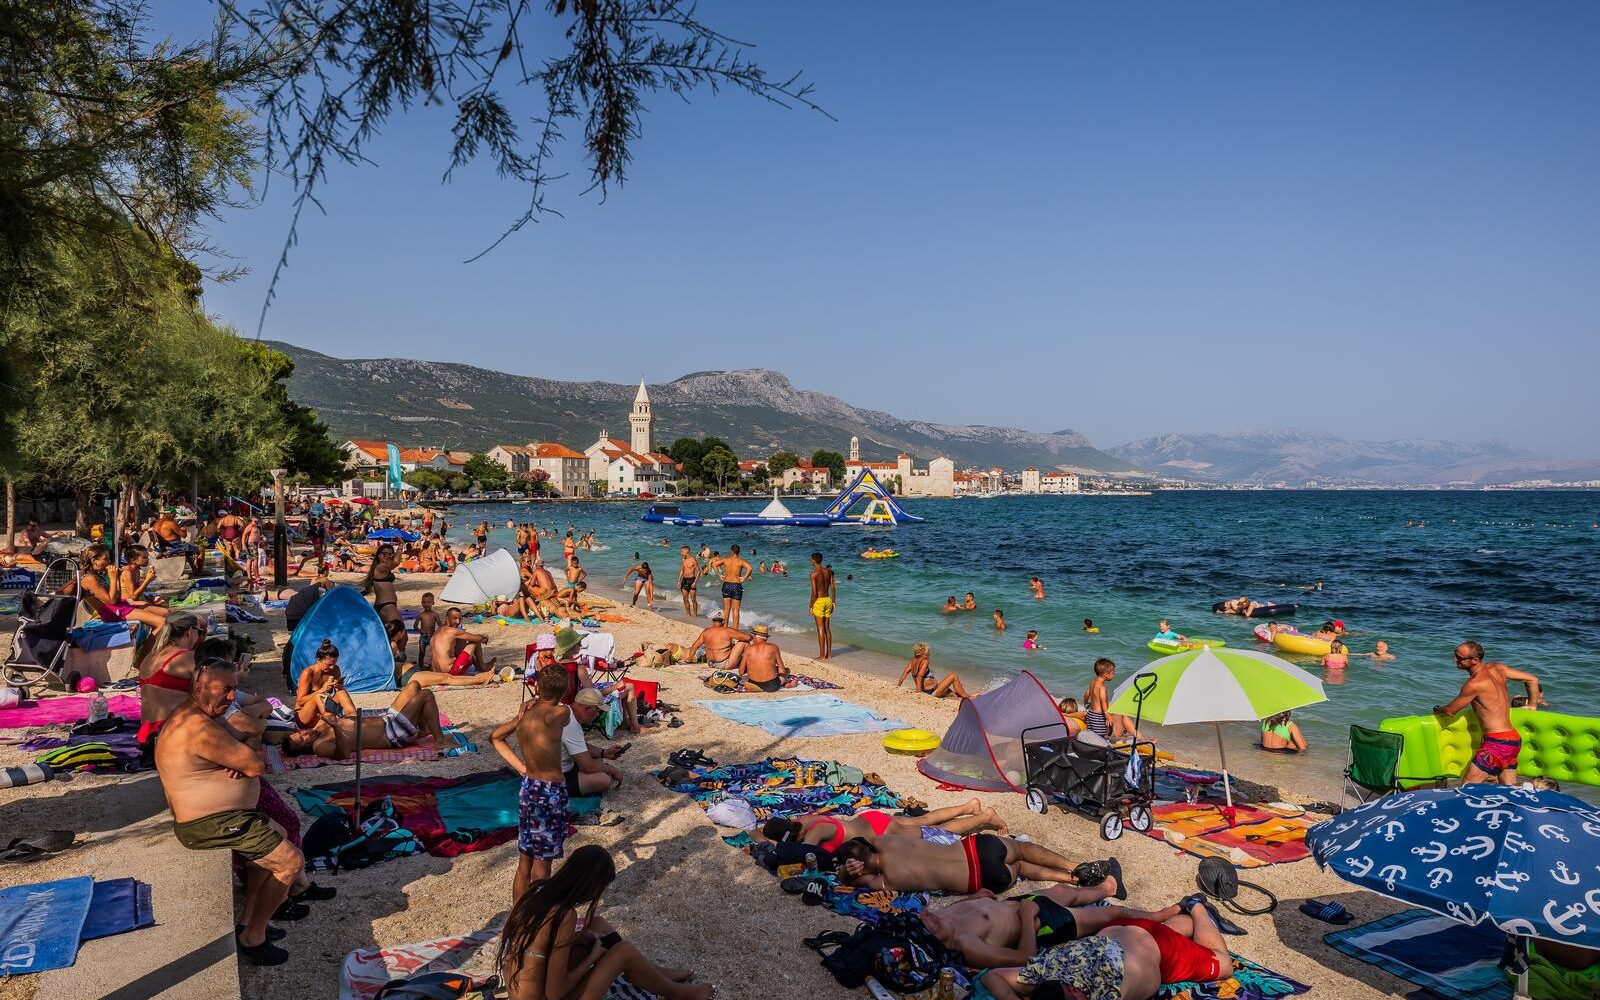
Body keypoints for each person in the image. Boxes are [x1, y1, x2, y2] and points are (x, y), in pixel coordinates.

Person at [155, 659, 303, 965]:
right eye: (225, 689)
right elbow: (256, 765)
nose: (232, 696)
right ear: (199, 687)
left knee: (278, 832)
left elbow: (250, 746)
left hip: (227, 817)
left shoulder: (197, 715)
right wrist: (247, 751)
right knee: (291, 862)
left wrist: (246, 747)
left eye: (234, 689)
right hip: (209, 823)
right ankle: (254, 938)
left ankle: (247, 922)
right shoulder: (198, 727)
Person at [495, 845, 716, 1000]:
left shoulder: (538, 889)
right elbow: (555, 992)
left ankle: (653, 973)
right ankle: (678, 993)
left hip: (523, 989)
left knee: (597, 924)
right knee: (624, 951)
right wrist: (593, 956)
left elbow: (540, 946)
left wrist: (581, 939)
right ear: (590, 885)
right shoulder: (564, 915)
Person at [981, 897, 1233, 1000]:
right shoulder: (1047, 970)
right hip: (1125, 930)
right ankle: (1188, 913)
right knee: (1172, 931)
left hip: (1161, 949)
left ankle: (1198, 906)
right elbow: (993, 976)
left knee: (1224, 965)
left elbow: (993, 977)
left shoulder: (1106, 993)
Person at [925, 890, 1180, 969]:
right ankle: (1162, 915)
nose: (925, 914)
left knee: (1065, 891)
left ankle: (1109, 886)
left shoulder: (939, 917)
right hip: (1042, 922)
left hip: (1020, 903)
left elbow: (958, 908)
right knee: (1113, 914)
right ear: (930, 938)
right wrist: (1027, 917)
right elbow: (1023, 958)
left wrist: (975, 897)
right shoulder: (966, 944)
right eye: (924, 921)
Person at [493, 666, 576, 897]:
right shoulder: (561, 713)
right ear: (565, 689)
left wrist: (521, 767)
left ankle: (518, 912)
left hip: (529, 786)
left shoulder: (524, 716)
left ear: (537, 686)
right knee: (542, 864)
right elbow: (565, 708)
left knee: (525, 862)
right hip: (551, 791)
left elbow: (496, 737)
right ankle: (539, 913)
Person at [835, 833, 1098, 896]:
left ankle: (1072, 879)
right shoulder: (887, 840)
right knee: (1021, 849)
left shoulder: (885, 880)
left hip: (979, 877)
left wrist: (847, 872)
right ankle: (1077, 865)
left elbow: (850, 881)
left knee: (1019, 867)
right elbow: (867, 839)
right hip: (974, 848)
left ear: (859, 866)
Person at [1435, 641, 1542, 786]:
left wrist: (1438, 709)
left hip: (1497, 743)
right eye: (1455, 655)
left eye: (1460, 658)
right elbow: (1532, 679)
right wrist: (1532, 705)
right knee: (1509, 789)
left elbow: (1450, 711)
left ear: (1475, 660)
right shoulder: (1498, 668)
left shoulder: (1474, 684)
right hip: (1513, 740)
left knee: (1466, 788)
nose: (1455, 660)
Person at [284, 680, 451, 758]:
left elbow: (349, 711)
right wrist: (336, 728)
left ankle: (422, 730)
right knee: (426, 695)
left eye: (300, 733)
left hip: (387, 720)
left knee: (414, 685)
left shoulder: (320, 727)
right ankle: (440, 740)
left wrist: (339, 689)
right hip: (392, 734)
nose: (304, 734)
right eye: (302, 739)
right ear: (303, 749)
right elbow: (343, 755)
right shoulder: (320, 746)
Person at [762, 799, 1008, 846]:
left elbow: (804, 855)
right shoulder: (803, 820)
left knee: (935, 831)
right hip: (870, 819)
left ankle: (984, 817)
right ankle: (969, 807)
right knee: (923, 819)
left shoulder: (813, 835)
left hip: (882, 832)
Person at [135, 611, 206, 758]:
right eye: (199, 631)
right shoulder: (187, 657)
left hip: (147, 735)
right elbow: (211, 693)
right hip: (173, 734)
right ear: (189, 632)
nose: (200, 636)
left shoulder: (151, 656)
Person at [68, 544, 169, 628]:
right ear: (94, 561)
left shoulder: (97, 575)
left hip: (119, 606)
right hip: (112, 612)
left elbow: (117, 597)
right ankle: (151, 646)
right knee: (162, 622)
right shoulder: (89, 578)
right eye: (105, 559)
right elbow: (111, 600)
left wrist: (117, 578)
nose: (109, 562)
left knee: (165, 613)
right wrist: (113, 578)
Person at [406, 608, 502, 688]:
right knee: (475, 642)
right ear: (447, 619)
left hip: (436, 673)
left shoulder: (438, 630)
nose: (458, 622)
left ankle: (478, 666)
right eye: (455, 618)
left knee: (461, 640)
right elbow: (478, 638)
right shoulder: (453, 631)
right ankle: (482, 666)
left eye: (460, 619)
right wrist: (485, 638)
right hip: (450, 672)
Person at [561, 689, 625, 796]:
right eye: (598, 711)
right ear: (588, 708)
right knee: (603, 780)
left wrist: (603, 752)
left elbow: (579, 745)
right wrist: (613, 770)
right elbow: (588, 767)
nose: (597, 715)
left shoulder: (567, 712)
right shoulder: (571, 725)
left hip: (557, 767)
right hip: (557, 777)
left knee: (599, 760)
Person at [294, 639, 357, 726]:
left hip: (322, 713)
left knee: (341, 692)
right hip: (304, 716)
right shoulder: (308, 673)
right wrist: (321, 690)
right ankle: (334, 724)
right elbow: (300, 701)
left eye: (334, 663)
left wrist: (339, 687)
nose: (332, 667)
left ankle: (354, 721)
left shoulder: (335, 670)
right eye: (329, 664)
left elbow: (336, 693)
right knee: (318, 696)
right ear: (318, 660)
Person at [361, 544, 407, 660]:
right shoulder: (381, 567)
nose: (388, 556)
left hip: (382, 606)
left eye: (390, 554)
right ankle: (398, 661)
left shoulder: (377, 568)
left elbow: (369, 588)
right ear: (378, 555)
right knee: (402, 636)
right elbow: (396, 562)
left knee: (386, 636)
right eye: (384, 554)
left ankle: (385, 659)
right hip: (388, 606)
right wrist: (401, 547)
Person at [897, 642, 969, 699]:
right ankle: (966, 697)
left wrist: (898, 686)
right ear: (923, 653)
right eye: (928, 651)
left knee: (954, 694)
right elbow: (919, 676)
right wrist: (919, 691)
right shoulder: (925, 661)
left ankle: (965, 695)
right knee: (953, 676)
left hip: (930, 690)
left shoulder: (912, 661)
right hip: (932, 691)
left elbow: (905, 673)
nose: (929, 653)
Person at [738, 625, 789, 692]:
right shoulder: (774, 647)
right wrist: (783, 676)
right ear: (766, 638)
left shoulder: (748, 648)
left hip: (753, 684)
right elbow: (782, 670)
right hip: (771, 686)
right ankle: (786, 684)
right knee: (787, 670)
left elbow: (741, 672)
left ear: (755, 636)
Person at [809, 552, 835, 659]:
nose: (810, 561)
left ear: (814, 561)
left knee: (820, 628)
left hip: (819, 601)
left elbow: (814, 593)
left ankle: (821, 655)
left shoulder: (813, 574)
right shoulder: (828, 571)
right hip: (828, 600)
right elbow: (832, 587)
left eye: (811, 560)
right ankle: (829, 654)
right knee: (827, 628)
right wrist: (834, 602)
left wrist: (811, 605)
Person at [719, 544, 752, 629]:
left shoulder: (726, 560)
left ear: (731, 551)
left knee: (726, 609)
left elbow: (714, 564)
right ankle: (735, 630)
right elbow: (750, 568)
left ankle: (725, 628)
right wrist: (744, 577)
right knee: (736, 610)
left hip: (726, 584)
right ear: (739, 551)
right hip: (736, 585)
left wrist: (719, 575)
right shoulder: (741, 561)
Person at [1082, 658, 1116, 740]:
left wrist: (1086, 703)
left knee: (1091, 734)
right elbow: (1103, 702)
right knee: (1099, 737)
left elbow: (1086, 694)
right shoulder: (1102, 688)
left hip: (1090, 713)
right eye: (1113, 673)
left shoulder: (1093, 682)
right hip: (1098, 717)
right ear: (1106, 674)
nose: (1114, 675)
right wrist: (1108, 716)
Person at [676, 545, 700, 619]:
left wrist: (695, 582)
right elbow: (681, 571)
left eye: (682, 552)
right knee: (685, 598)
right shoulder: (683, 560)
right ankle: (688, 614)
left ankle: (695, 615)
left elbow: (698, 572)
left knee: (693, 599)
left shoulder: (693, 560)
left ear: (686, 552)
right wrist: (679, 581)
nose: (681, 553)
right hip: (684, 580)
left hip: (692, 580)